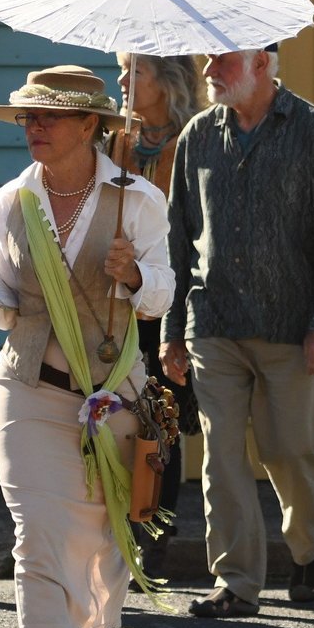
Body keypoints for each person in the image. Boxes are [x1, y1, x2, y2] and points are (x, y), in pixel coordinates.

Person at [0, 65, 173, 628]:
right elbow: (7, 310)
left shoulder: (137, 200)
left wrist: (132, 273)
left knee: (104, 536)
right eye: (27, 118)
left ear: (91, 126)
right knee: (38, 534)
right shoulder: (13, 201)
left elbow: (162, 296)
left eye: (47, 116)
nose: (33, 128)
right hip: (30, 390)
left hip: (113, 393)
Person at [162, 45, 314, 619]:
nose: (209, 72)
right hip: (213, 322)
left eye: (223, 62)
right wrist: (173, 329)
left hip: (289, 326)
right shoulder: (197, 135)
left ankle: (309, 547)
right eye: (208, 61)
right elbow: (178, 238)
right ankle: (237, 583)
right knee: (220, 457)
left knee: (289, 450)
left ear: (263, 64)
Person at [111, 51, 208, 584]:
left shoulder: (195, 139)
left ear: (167, 82)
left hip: (172, 300)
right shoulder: (111, 141)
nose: (122, 81)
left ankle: (154, 538)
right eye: (122, 71)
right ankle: (112, 532)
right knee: (110, 414)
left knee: (159, 420)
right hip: (113, 300)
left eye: (135, 73)